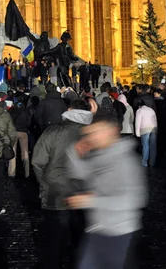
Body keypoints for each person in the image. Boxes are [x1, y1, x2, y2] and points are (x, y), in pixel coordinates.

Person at [66, 114, 148, 269]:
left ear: (112, 131)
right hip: (96, 229)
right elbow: (83, 175)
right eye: (91, 133)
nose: (92, 137)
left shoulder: (126, 160)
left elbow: (134, 199)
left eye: (97, 132)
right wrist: (76, 154)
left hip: (119, 233)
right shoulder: (100, 154)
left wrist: (91, 201)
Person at [32, 99, 92, 268]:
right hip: (83, 193)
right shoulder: (90, 133)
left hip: (55, 192)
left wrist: (44, 183)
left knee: (54, 241)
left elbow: (38, 161)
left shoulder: (52, 131)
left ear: (69, 111)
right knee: (80, 238)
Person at [135, 100, 158, 167]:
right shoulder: (151, 110)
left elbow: (137, 122)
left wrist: (137, 133)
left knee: (145, 146)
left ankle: (144, 162)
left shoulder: (139, 111)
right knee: (153, 146)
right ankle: (152, 163)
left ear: (139, 106)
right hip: (153, 129)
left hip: (144, 129)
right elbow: (155, 120)